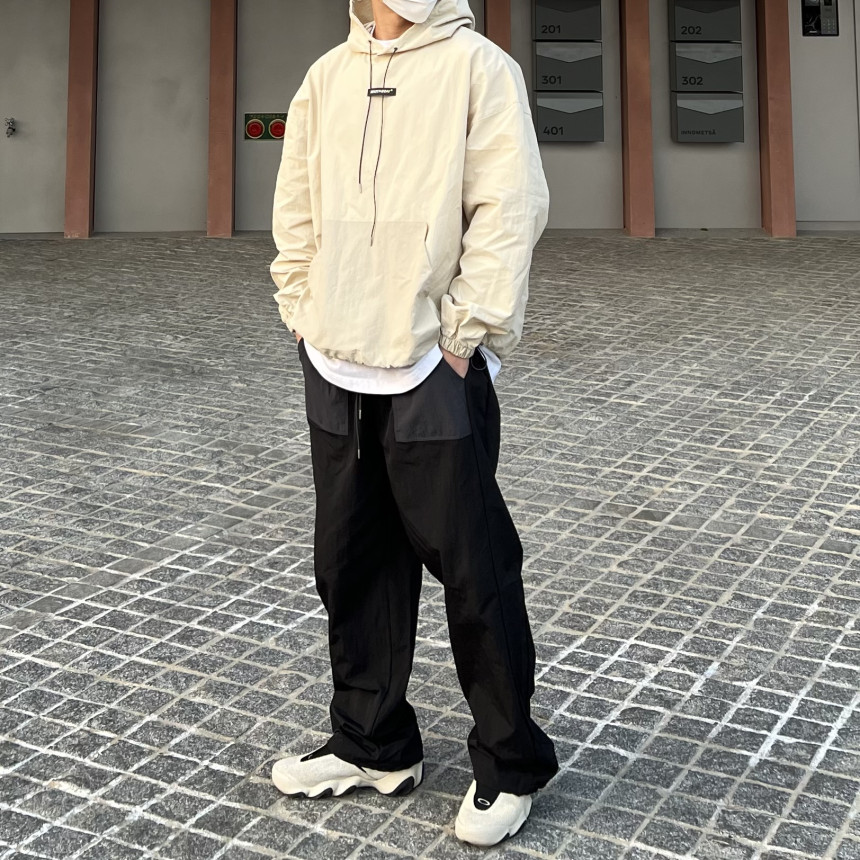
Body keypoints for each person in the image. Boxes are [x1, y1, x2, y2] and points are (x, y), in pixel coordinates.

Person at [269, 0, 557, 847]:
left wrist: (464, 336)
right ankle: (373, 744)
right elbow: (297, 205)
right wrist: (301, 308)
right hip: (335, 359)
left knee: (474, 568)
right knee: (350, 563)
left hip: (432, 361)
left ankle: (509, 762)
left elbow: (509, 205)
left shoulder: (479, 68)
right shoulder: (328, 75)